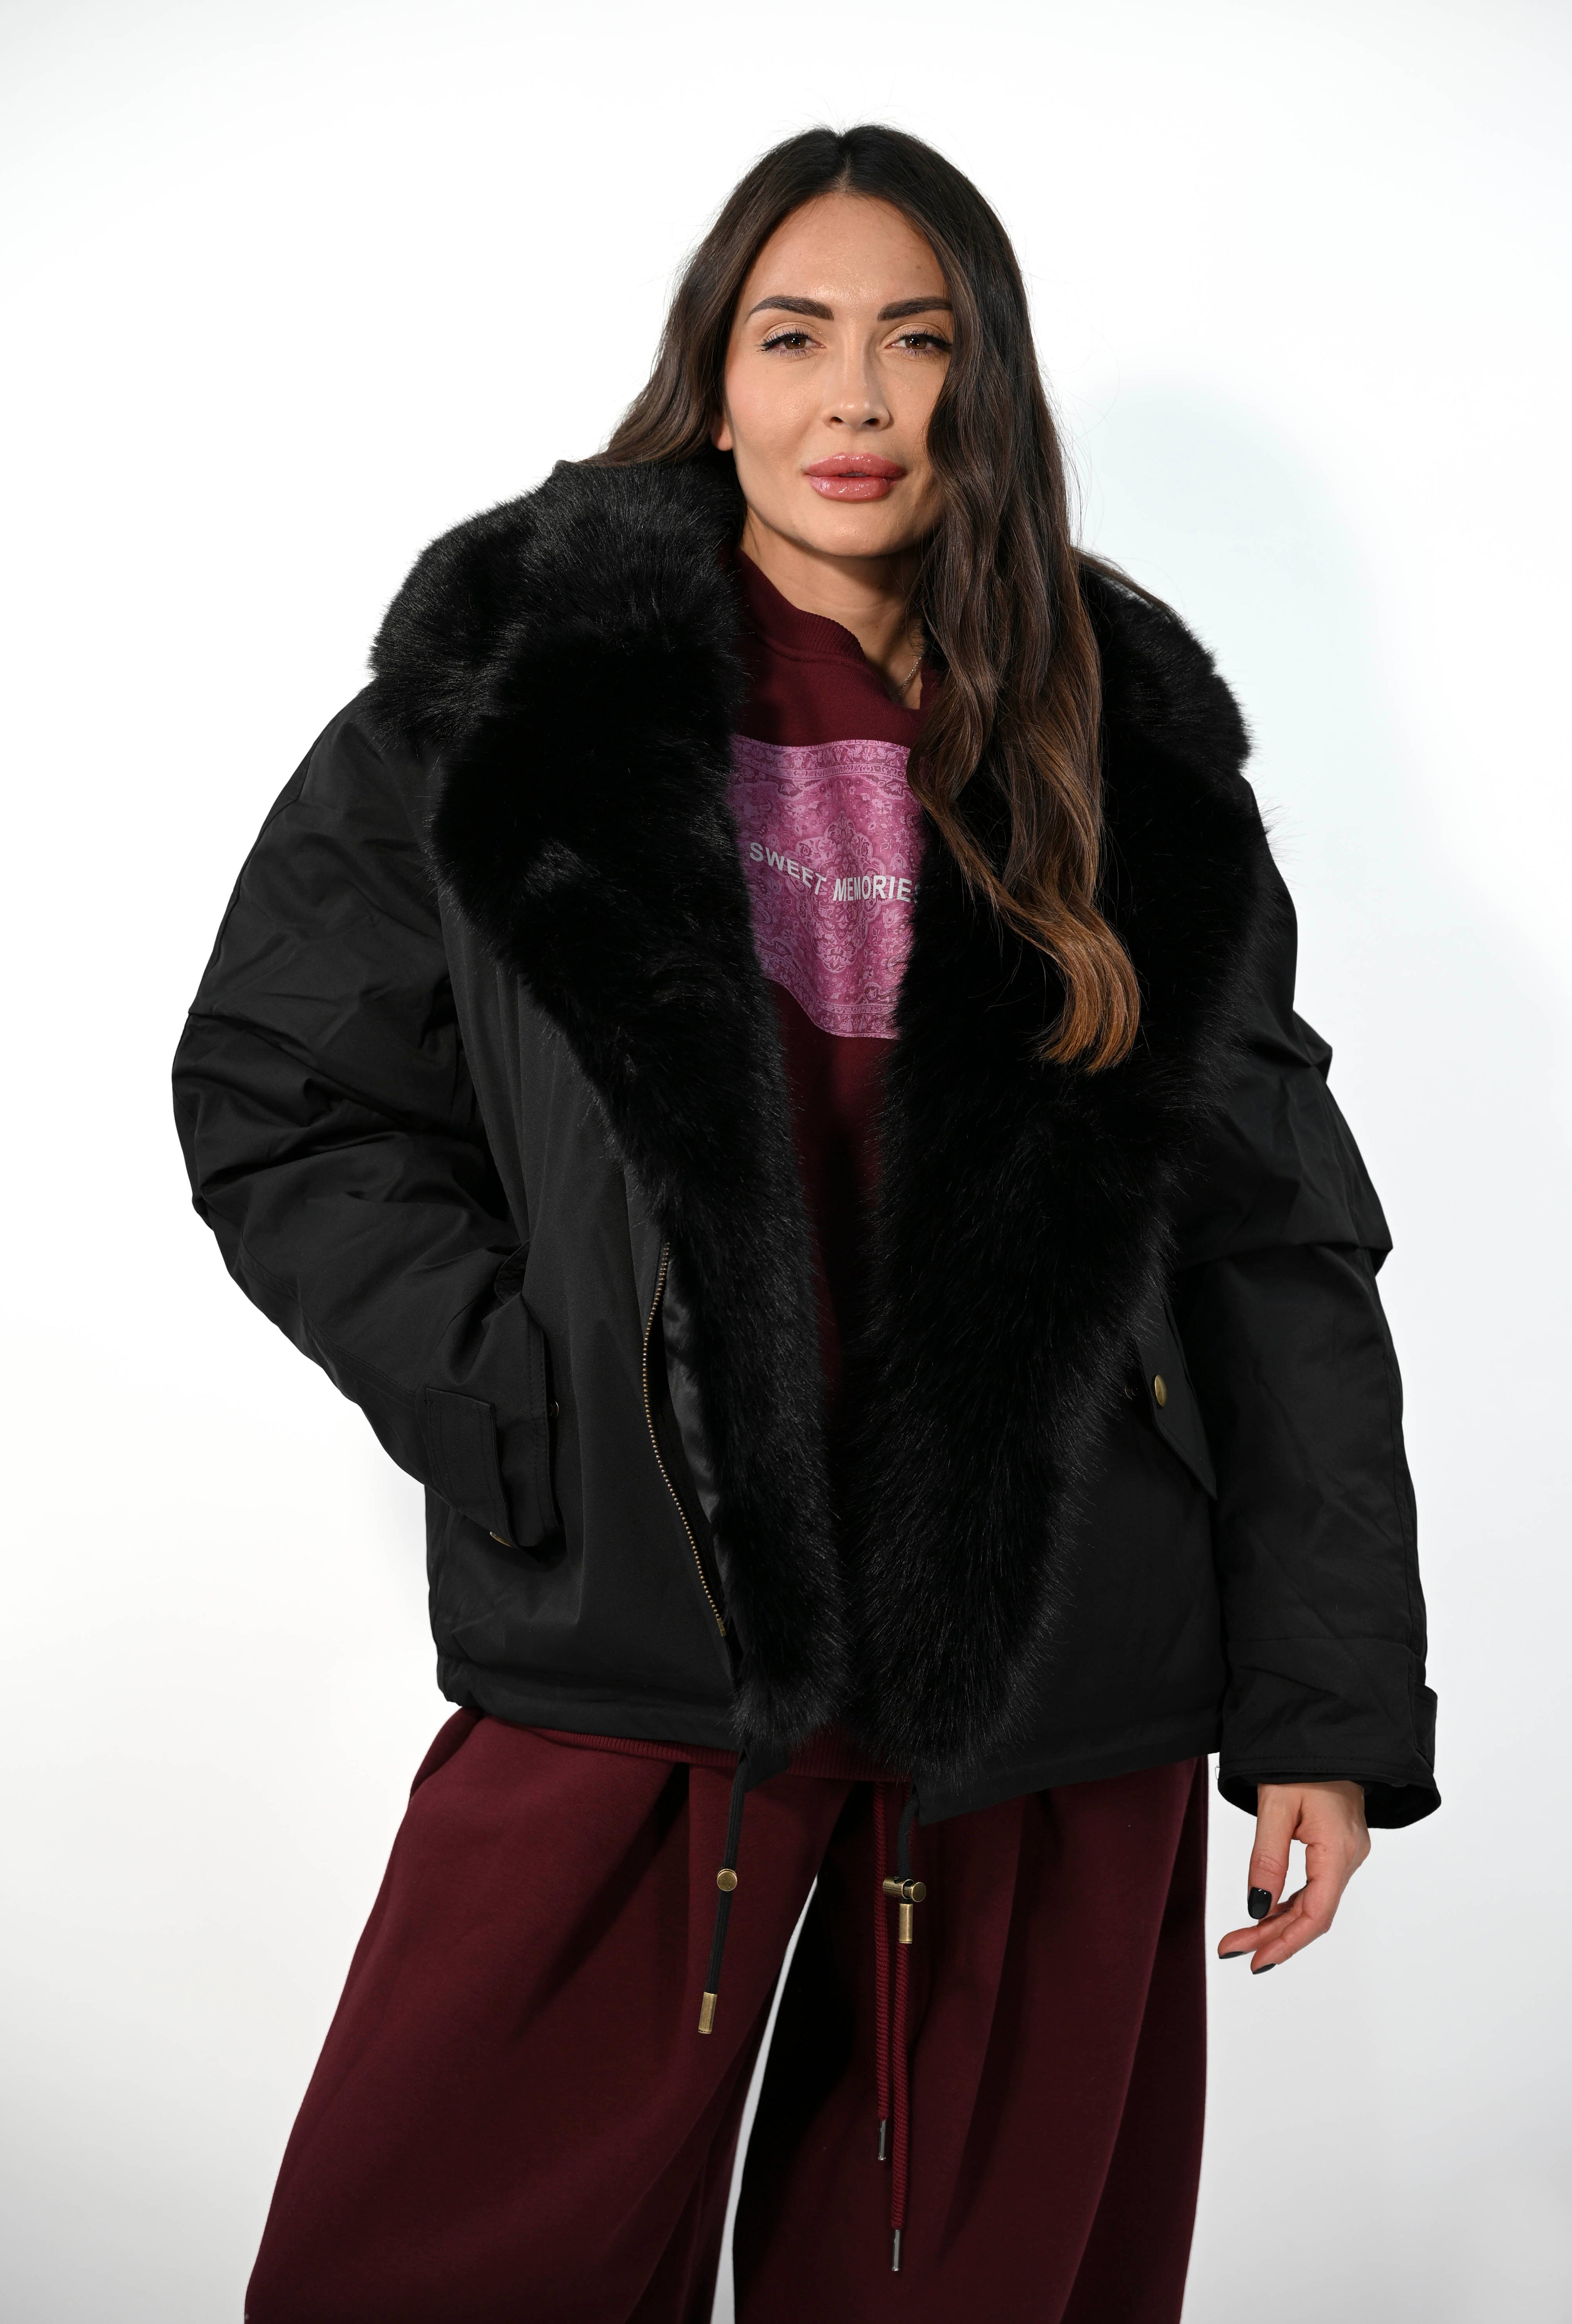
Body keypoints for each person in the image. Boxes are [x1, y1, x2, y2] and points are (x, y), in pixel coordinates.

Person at [173, 124, 1437, 2324]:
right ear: (717, 373)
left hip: (1052, 1667)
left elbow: (1275, 1245)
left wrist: (1329, 1699)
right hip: (645, 1646)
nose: (857, 397)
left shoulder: (1122, 750)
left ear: (987, 382)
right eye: (796, 335)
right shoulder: (511, 702)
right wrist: (529, 1404)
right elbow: (284, 1090)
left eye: (918, 341)